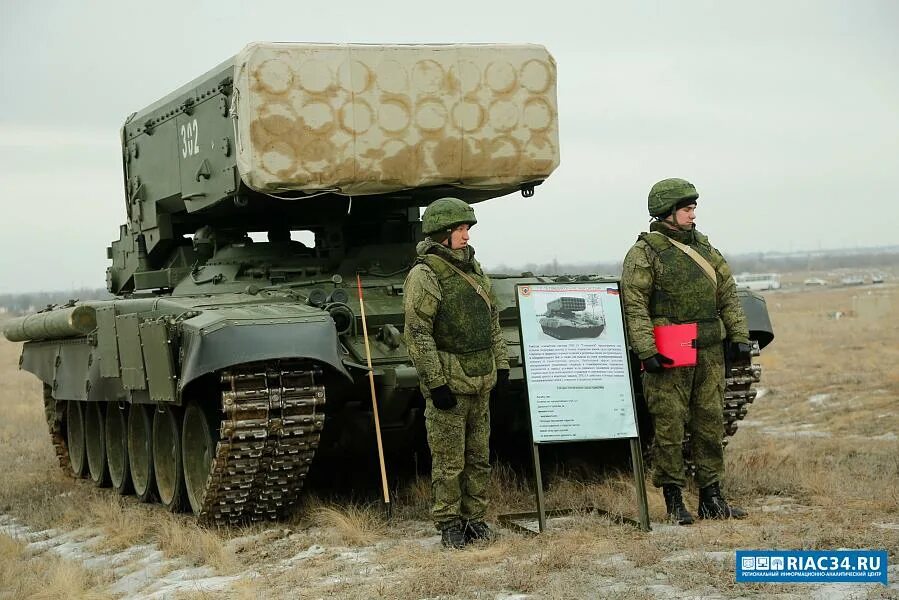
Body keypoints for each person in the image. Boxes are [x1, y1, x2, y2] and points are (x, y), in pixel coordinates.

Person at [621, 178, 751, 525]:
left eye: (693, 208)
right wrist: (646, 350)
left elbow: (727, 293)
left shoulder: (706, 250)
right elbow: (635, 306)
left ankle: (712, 496)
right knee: (670, 427)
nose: (693, 214)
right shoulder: (644, 253)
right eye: (687, 209)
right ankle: (674, 499)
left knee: (710, 423)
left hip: (708, 350)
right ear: (667, 212)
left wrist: (738, 335)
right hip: (670, 353)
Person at [403, 197, 510, 548]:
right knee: (449, 461)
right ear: (441, 234)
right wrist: (436, 383)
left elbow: (491, 321)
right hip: (450, 383)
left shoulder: (474, 269)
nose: (466, 236)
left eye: (467, 229)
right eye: (459, 230)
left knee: (479, 458)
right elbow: (418, 333)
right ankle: (449, 522)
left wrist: (503, 364)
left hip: (481, 380)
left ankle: (474, 518)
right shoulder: (425, 274)